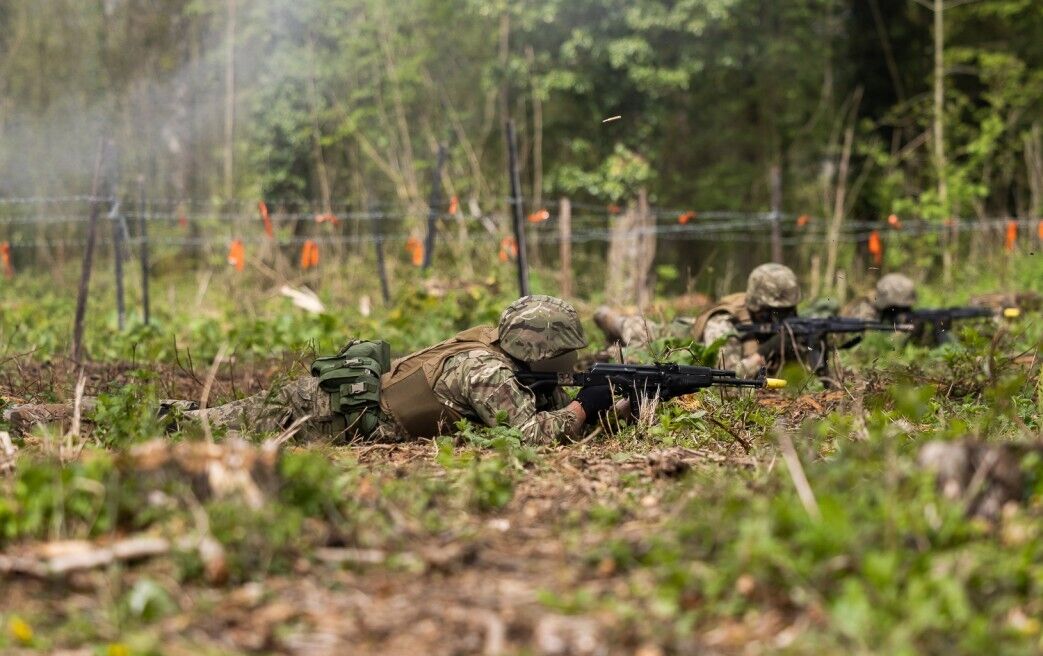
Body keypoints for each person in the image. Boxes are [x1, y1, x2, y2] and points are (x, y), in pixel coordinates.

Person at [3, 296, 621, 446]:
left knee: (191, 422)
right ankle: (32, 418)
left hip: (335, 401)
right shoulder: (487, 373)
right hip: (325, 412)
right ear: (546, 352)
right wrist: (589, 405)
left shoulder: (495, 352)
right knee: (190, 429)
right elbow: (530, 437)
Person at [594, 262, 803, 378]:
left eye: (788, 311)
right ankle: (605, 317)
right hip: (666, 338)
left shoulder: (776, 323)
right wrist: (764, 353)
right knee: (632, 332)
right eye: (776, 312)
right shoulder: (723, 323)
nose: (783, 318)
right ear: (758, 306)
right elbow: (728, 377)